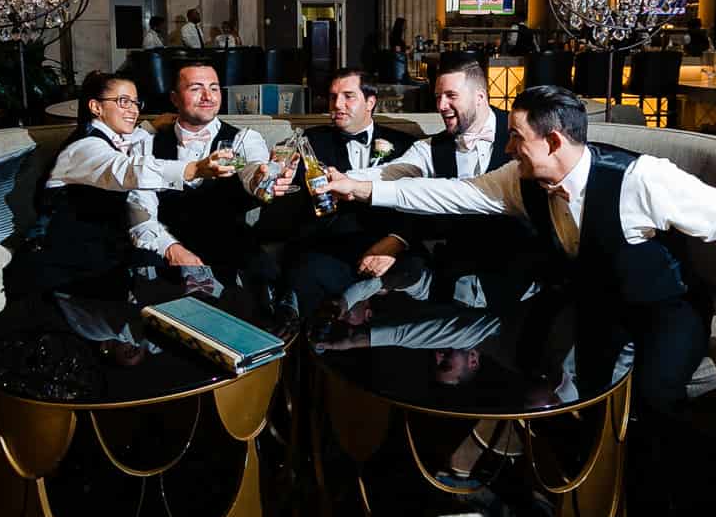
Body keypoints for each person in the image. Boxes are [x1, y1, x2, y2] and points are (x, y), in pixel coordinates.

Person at [324, 84, 716, 517]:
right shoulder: (520, 181)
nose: (507, 147)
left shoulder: (641, 179)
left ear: (553, 142)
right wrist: (361, 189)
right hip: (598, 304)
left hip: (667, 306)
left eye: (516, 137)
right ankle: (576, 495)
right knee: (572, 387)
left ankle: (668, 516)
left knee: (655, 398)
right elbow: (447, 193)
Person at [23, 70, 235, 301]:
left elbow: (136, 146)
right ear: (96, 107)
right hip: (60, 264)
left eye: (135, 102)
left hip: (103, 255)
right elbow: (128, 169)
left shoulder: (125, 139)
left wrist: (169, 247)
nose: (133, 109)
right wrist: (193, 169)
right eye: (123, 101)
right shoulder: (83, 148)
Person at [346, 53, 535, 307]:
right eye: (438, 97)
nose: (441, 105)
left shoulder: (522, 132)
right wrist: (338, 179)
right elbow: (387, 173)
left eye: (451, 96)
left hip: (522, 278)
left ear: (480, 97)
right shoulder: (430, 148)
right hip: (454, 278)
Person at [280, 66, 408, 318]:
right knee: (302, 269)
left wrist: (396, 240)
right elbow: (290, 188)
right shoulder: (311, 141)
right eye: (332, 96)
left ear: (370, 102)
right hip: (331, 245)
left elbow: (420, 201)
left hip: (387, 241)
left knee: (415, 267)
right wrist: (278, 173)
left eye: (348, 96)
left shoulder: (405, 145)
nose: (337, 104)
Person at [126, 61, 272, 275]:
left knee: (264, 275)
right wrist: (172, 249)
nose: (208, 97)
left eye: (214, 88)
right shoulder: (146, 145)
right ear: (174, 98)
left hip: (230, 247)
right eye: (196, 88)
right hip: (166, 245)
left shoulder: (244, 139)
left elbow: (252, 170)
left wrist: (262, 179)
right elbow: (140, 212)